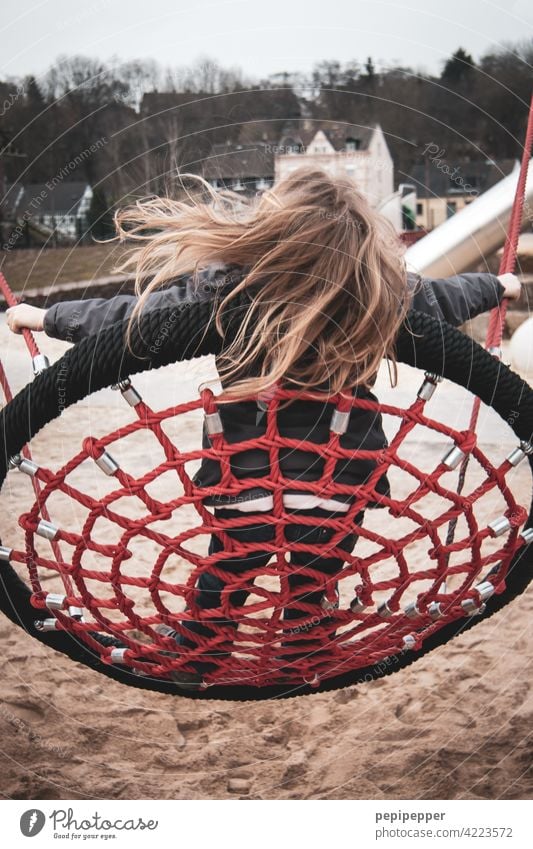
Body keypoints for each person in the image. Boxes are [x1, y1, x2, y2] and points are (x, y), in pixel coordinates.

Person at [6, 168, 521, 688]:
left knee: (226, 571)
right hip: (339, 487)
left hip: (246, 483)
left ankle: (201, 651)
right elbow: (450, 297)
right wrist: (498, 286)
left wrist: (45, 318)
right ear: (362, 245)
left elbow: (125, 322)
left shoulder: (226, 293)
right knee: (312, 575)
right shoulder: (383, 295)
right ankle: (303, 645)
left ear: (268, 232)